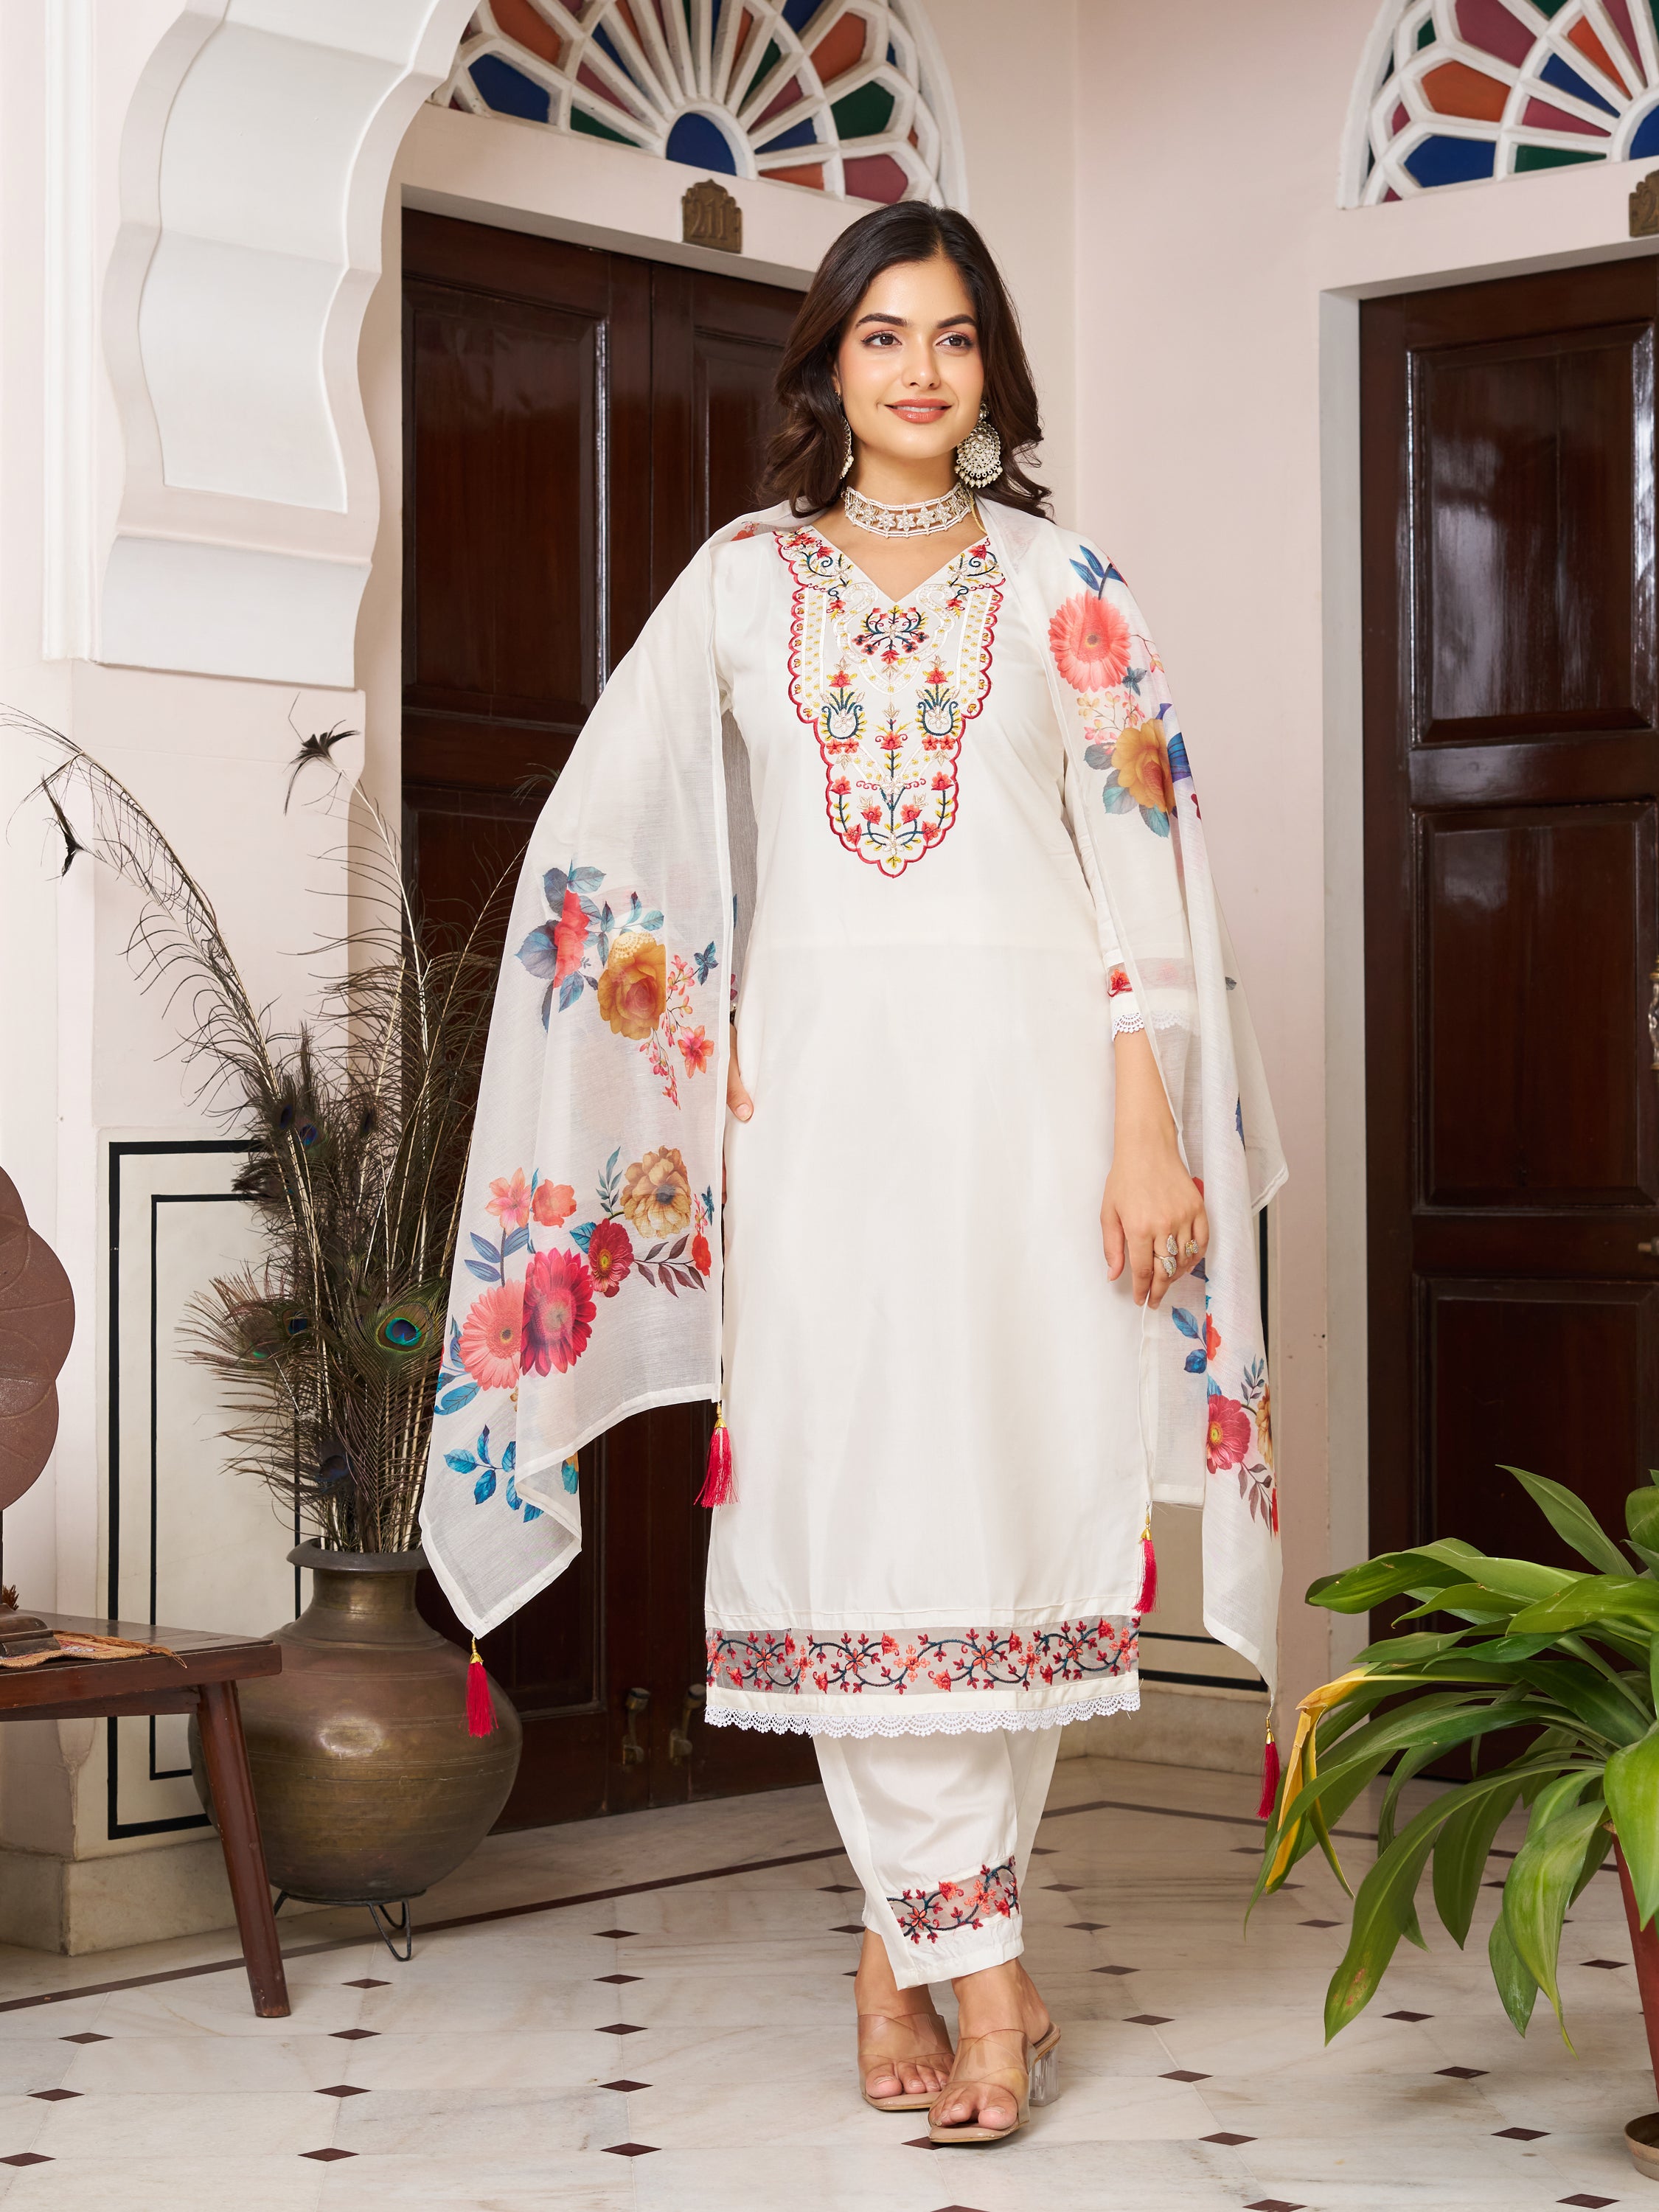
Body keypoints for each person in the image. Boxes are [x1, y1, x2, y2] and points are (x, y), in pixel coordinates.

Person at [422, 202, 1284, 2151]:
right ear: (823, 373)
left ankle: (905, 1951)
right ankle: (995, 1980)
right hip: (816, 1121)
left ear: (991, 373)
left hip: (1041, 1108)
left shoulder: (1072, 587)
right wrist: (667, 1087)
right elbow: (608, 860)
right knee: (854, 1524)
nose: (918, 370)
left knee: (1010, 1519)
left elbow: (1145, 879)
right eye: (880, 337)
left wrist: (1149, 1124)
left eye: (954, 338)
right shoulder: (736, 586)